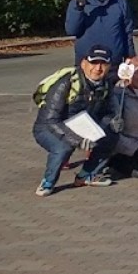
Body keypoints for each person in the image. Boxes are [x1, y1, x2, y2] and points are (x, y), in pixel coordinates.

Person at [32, 46, 119, 195]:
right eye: (93, 63)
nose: (97, 68)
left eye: (103, 64)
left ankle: (86, 175)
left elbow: (109, 112)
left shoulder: (106, 84)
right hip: (48, 128)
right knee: (63, 148)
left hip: (82, 126)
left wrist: (108, 124)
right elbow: (51, 119)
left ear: (109, 66)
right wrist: (76, 140)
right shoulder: (67, 82)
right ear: (84, 63)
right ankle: (48, 182)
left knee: (111, 136)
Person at [64, 0, 135, 65]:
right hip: (87, 65)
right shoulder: (77, 3)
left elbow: (127, 33)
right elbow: (72, 30)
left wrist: (130, 56)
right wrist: (79, 9)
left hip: (113, 64)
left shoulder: (121, 3)